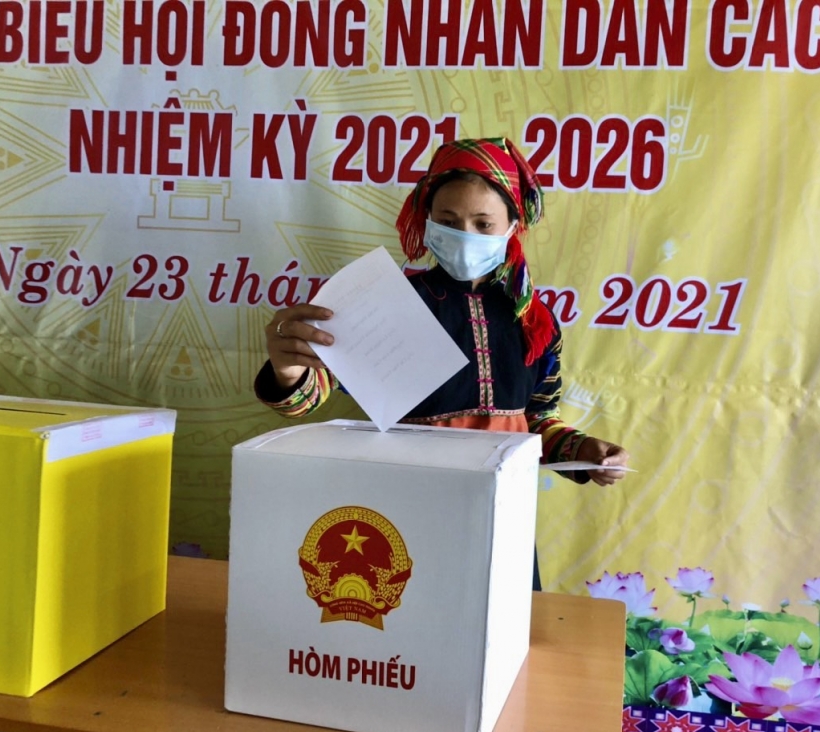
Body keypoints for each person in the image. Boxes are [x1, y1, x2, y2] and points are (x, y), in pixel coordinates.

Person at [254, 137, 629, 590]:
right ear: (426, 219)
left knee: (506, 622)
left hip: (505, 516)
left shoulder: (534, 320)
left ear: (513, 225)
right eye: (448, 222)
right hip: (408, 515)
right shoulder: (388, 305)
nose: (464, 234)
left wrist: (584, 452)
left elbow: (537, 420)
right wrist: (288, 370)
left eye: (483, 223)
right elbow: (305, 401)